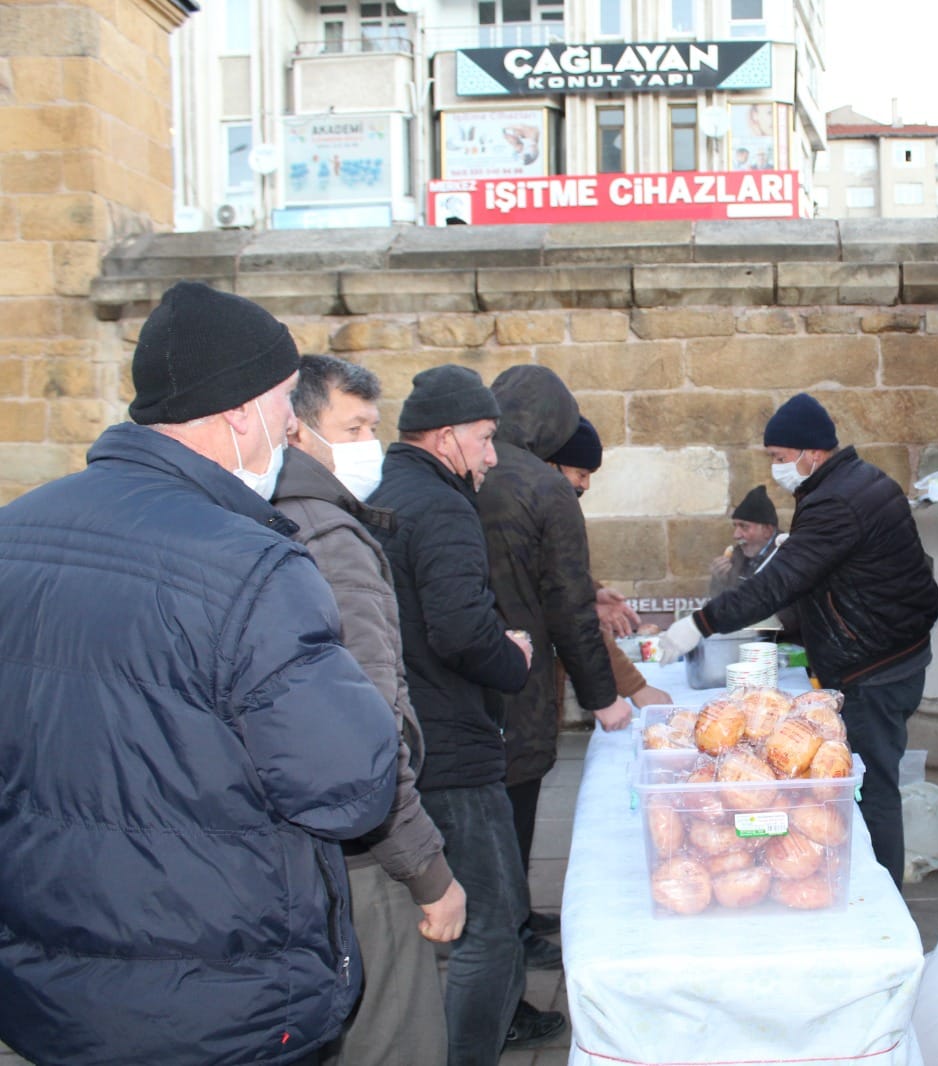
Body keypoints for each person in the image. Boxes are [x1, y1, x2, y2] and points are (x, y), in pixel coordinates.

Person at [0, 281, 398, 1066]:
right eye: (287, 401)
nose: (292, 422)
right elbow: (351, 786)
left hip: (44, 989)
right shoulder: (250, 566)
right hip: (221, 998)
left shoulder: (14, 533)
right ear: (238, 412)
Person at [658, 393, 938, 889]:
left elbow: (778, 583)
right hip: (892, 652)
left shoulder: (838, 500)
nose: (777, 467)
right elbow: (839, 580)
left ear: (813, 452)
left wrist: (699, 624)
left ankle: (880, 897)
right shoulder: (861, 481)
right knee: (864, 783)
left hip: (872, 668)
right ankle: (863, 884)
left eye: (780, 457)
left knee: (867, 787)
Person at [275, 355, 467, 1066]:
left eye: (373, 427)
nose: (366, 444)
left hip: (291, 854)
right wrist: (428, 873)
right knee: (395, 1034)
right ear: (296, 430)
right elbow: (368, 729)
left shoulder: (267, 517)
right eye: (352, 427)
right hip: (361, 854)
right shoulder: (329, 537)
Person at [368, 365, 564, 1062]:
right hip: (451, 745)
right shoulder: (445, 507)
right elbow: (457, 630)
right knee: (493, 924)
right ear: (447, 438)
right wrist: (513, 657)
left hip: (407, 737)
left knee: (433, 920)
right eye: (483, 441)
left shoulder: (385, 493)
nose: (489, 457)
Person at [477, 370, 633, 971]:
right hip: (518, 678)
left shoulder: (482, 471)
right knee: (510, 811)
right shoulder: (543, 487)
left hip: (478, 669)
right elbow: (563, 602)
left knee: (501, 813)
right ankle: (507, 942)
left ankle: (514, 914)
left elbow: (521, 567)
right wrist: (605, 697)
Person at [545, 416, 673, 712]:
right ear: (554, 465)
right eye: (581, 473)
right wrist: (629, 689)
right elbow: (565, 605)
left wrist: (593, 592)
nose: (585, 485)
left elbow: (558, 574)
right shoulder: (542, 511)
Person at [709, 485, 784, 595]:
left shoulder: (786, 555)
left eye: (744, 527)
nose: (736, 535)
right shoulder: (736, 557)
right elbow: (721, 602)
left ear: (767, 530)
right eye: (735, 526)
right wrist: (719, 580)